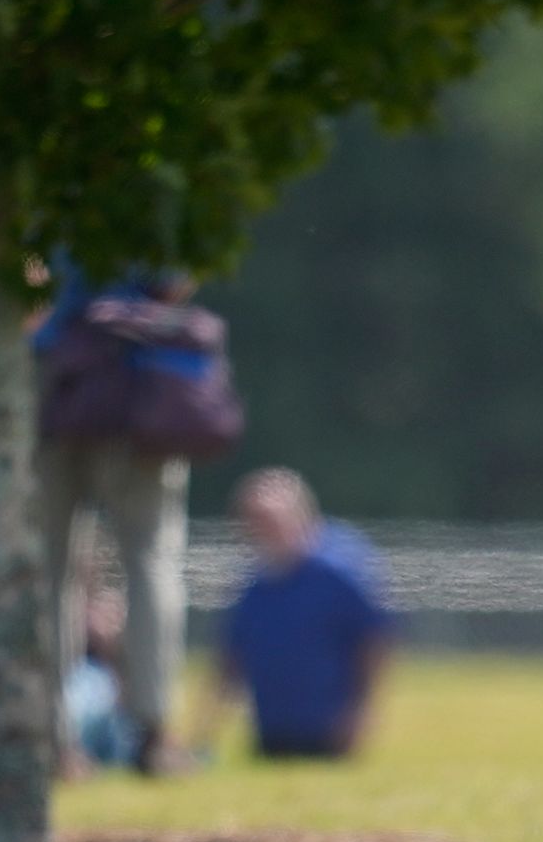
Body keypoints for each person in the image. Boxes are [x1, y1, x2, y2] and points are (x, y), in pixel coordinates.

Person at [33, 269, 215, 776]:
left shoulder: (37, 204)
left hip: (55, 380)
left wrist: (53, 297)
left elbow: (30, 275)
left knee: (51, 571)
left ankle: (53, 741)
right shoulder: (147, 194)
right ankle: (152, 732)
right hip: (137, 383)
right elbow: (176, 278)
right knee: (150, 560)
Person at [213, 467, 401, 761]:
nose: (258, 530)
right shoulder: (256, 583)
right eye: (252, 521)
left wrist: (361, 711)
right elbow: (233, 658)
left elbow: (373, 643)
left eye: (268, 521)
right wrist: (206, 729)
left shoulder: (338, 573)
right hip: (272, 732)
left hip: (327, 731)